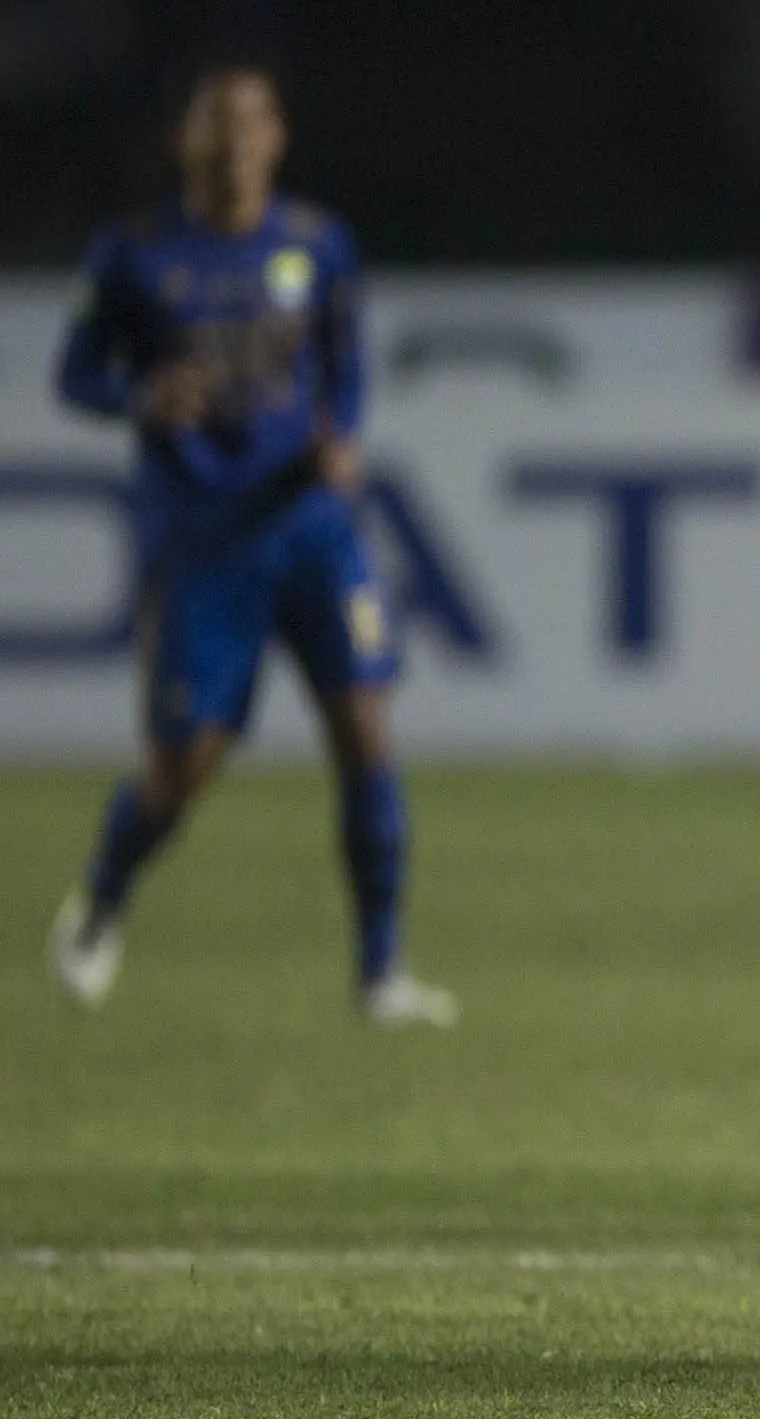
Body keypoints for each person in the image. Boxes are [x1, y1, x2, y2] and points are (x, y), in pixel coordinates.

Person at [45, 65, 454, 1027]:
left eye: (252, 124)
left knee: (364, 730)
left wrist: (341, 436)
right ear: (187, 139)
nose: (234, 141)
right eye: (216, 124)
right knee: (184, 768)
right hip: (201, 542)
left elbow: (346, 365)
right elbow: (74, 377)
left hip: (310, 526)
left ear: (276, 140)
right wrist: (139, 399)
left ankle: (380, 972)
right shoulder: (134, 255)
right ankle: (102, 899)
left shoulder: (317, 246)